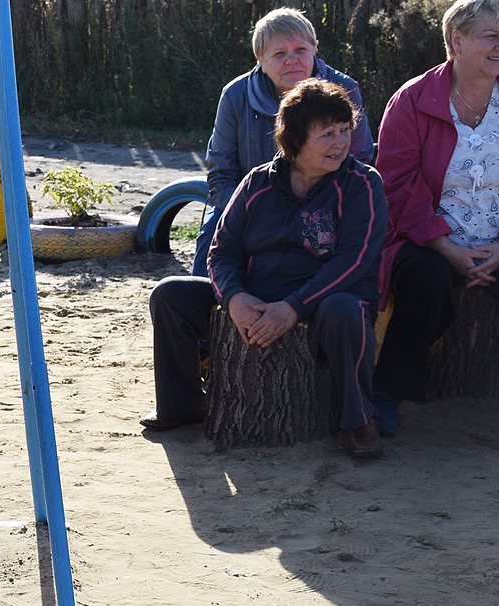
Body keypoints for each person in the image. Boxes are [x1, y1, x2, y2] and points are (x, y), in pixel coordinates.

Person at [372, 0, 499, 444]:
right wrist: (447, 248)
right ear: (457, 40)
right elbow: (397, 184)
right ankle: (388, 394)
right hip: (428, 239)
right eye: (491, 36)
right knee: (421, 279)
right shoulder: (413, 100)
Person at [144, 79, 389, 459]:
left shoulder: (363, 184)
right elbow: (222, 251)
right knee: (170, 295)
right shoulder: (257, 182)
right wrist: (234, 298)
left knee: (346, 310)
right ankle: (183, 405)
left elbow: (354, 260)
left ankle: (358, 419)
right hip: (255, 296)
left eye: (345, 130)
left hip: (326, 300)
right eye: (327, 134)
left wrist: (293, 307)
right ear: (295, 138)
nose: (340, 143)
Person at [194, 7, 374, 276]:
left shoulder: (344, 89)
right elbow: (221, 173)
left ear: (314, 49)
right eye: (279, 54)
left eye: (300, 50)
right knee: (210, 246)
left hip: (326, 206)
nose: (292, 60)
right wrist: (252, 213)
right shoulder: (235, 95)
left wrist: (312, 212)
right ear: (260, 59)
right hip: (250, 206)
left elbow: (359, 161)